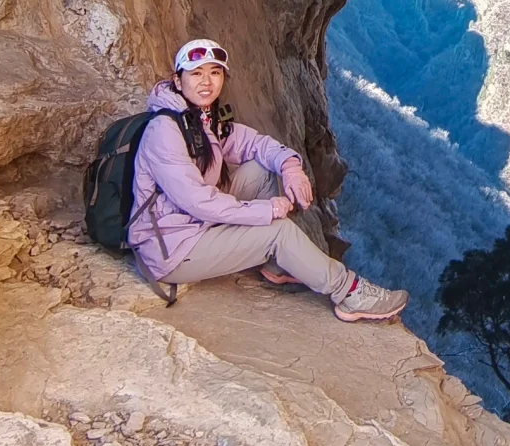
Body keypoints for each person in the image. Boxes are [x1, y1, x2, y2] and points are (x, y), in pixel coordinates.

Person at [128, 38, 408, 322]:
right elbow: (196, 201)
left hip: (192, 224)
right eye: (196, 73)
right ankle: (348, 292)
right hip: (171, 248)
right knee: (277, 232)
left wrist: (291, 167)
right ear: (178, 80)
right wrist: (266, 211)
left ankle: (280, 263)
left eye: (214, 72)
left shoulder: (199, 119)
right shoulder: (165, 130)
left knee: (263, 170)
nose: (207, 82)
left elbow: (257, 145)